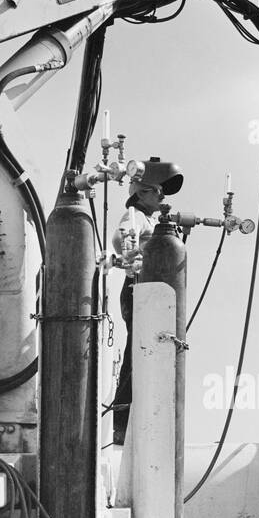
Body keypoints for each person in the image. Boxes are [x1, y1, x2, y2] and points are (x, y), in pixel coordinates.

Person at [109, 157, 184, 446]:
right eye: (157, 190)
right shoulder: (135, 215)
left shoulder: (150, 219)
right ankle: (122, 420)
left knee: (151, 352)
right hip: (137, 288)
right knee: (137, 353)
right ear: (141, 192)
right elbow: (120, 240)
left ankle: (141, 418)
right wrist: (141, 250)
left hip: (151, 292)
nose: (163, 196)